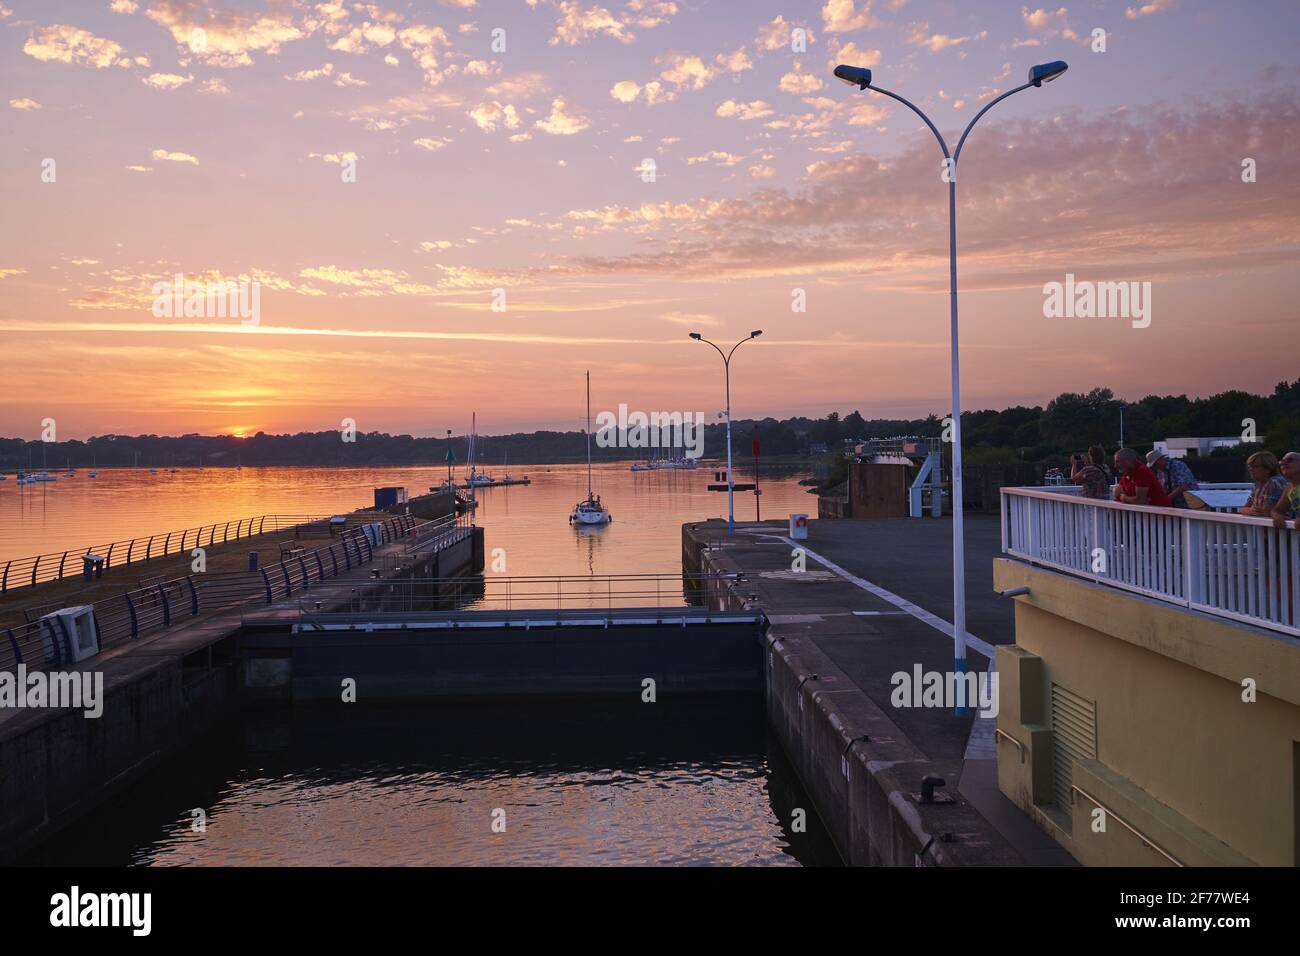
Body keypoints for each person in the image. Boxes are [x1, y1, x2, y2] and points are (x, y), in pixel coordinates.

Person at [1240, 451, 1289, 517]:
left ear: (1268, 469)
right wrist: (1252, 510)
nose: (1251, 469)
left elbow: (1276, 510)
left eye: (1255, 466)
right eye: (1249, 466)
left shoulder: (1276, 482)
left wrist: (1265, 511)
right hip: (1261, 525)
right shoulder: (1257, 485)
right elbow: (1244, 509)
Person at [1270, 452, 1300, 530]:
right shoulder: (1289, 488)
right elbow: (1277, 510)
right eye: (1282, 461)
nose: (1283, 463)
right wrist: (1277, 516)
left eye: (1290, 460)